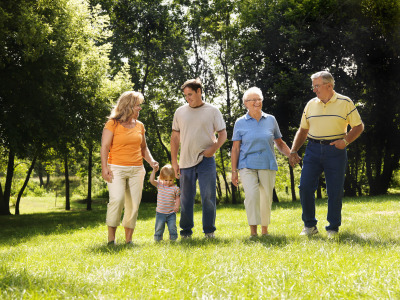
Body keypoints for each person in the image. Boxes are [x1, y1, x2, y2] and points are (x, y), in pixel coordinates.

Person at [289, 71, 364, 239]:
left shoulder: (345, 102)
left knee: (334, 190)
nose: (314, 89)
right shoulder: (310, 104)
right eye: (313, 86)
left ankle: (333, 228)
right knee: (305, 187)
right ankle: (309, 226)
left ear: (329, 86)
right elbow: (303, 130)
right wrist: (293, 150)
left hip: (335, 150)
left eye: (317, 86)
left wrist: (345, 142)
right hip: (313, 149)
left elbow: (358, 126)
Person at [171, 78, 227, 238]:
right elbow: (174, 138)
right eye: (185, 95)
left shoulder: (213, 111)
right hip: (185, 161)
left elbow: (223, 134)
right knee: (186, 199)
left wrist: (213, 149)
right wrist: (174, 162)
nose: (188, 98)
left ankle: (209, 231)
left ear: (199, 92)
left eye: (190, 94)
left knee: (208, 196)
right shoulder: (180, 112)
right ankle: (186, 232)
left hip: (206, 161)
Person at [231, 87, 291, 237]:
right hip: (246, 164)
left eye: (259, 99)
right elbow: (236, 148)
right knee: (251, 195)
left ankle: (265, 231)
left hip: (267, 162)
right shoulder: (240, 122)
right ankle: (253, 232)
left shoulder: (270, 119)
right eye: (253, 100)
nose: (257, 102)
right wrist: (234, 171)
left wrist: (292, 155)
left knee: (266, 198)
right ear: (246, 103)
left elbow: (279, 142)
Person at [101, 91, 159, 245]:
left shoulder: (140, 126)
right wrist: (104, 167)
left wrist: (151, 161)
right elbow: (105, 146)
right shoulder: (112, 124)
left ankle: (128, 240)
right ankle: (111, 240)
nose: (140, 108)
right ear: (128, 106)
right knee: (117, 199)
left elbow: (144, 148)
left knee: (133, 204)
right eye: (137, 105)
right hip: (116, 169)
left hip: (137, 170)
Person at [150, 164, 180, 241]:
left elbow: (177, 198)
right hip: (160, 213)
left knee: (172, 227)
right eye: (165, 180)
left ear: (173, 179)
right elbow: (151, 180)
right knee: (159, 227)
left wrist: (177, 206)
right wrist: (154, 170)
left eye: (170, 180)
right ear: (161, 178)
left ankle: (173, 239)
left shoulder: (175, 188)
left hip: (171, 213)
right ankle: (158, 239)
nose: (168, 182)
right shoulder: (159, 185)